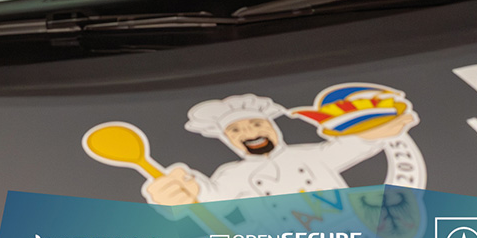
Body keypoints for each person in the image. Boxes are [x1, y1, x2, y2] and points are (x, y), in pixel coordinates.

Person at [142, 94, 417, 205]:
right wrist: (178, 193)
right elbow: (208, 199)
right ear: (227, 140)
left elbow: (354, 146)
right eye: (236, 131)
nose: (250, 134)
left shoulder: (310, 155)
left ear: (273, 127)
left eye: (256, 124)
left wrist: (378, 131)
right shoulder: (231, 175)